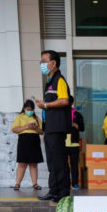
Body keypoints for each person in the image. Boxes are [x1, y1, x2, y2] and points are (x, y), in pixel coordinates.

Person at [34, 49, 71, 202]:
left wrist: (46, 105)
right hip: (50, 129)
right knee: (52, 162)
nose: (41, 64)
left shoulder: (59, 80)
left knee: (59, 161)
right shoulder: (49, 83)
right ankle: (53, 190)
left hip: (57, 128)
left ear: (53, 63)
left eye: (44, 61)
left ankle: (63, 192)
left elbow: (64, 100)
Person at [10, 100, 44, 190]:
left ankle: (35, 183)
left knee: (33, 164)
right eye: (28, 109)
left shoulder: (36, 118)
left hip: (34, 140)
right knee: (22, 163)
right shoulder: (20, 117)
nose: (30, 111)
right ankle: (17, 183)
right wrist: (26, 126)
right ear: (24, 108)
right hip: (23, 140)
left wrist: (35, 128)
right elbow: (14, 129)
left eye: (31, 110)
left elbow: (41, 132)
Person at [66, 95, 85, 190]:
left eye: (68, 102)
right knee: (63, 165)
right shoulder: (60, 114)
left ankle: (75, 183)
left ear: (72, 103)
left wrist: (74, 124)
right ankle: (65, 183)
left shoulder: (77, 114)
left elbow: (82, 128)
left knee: (74, 165)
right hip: (63, 142)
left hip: (74, 143)